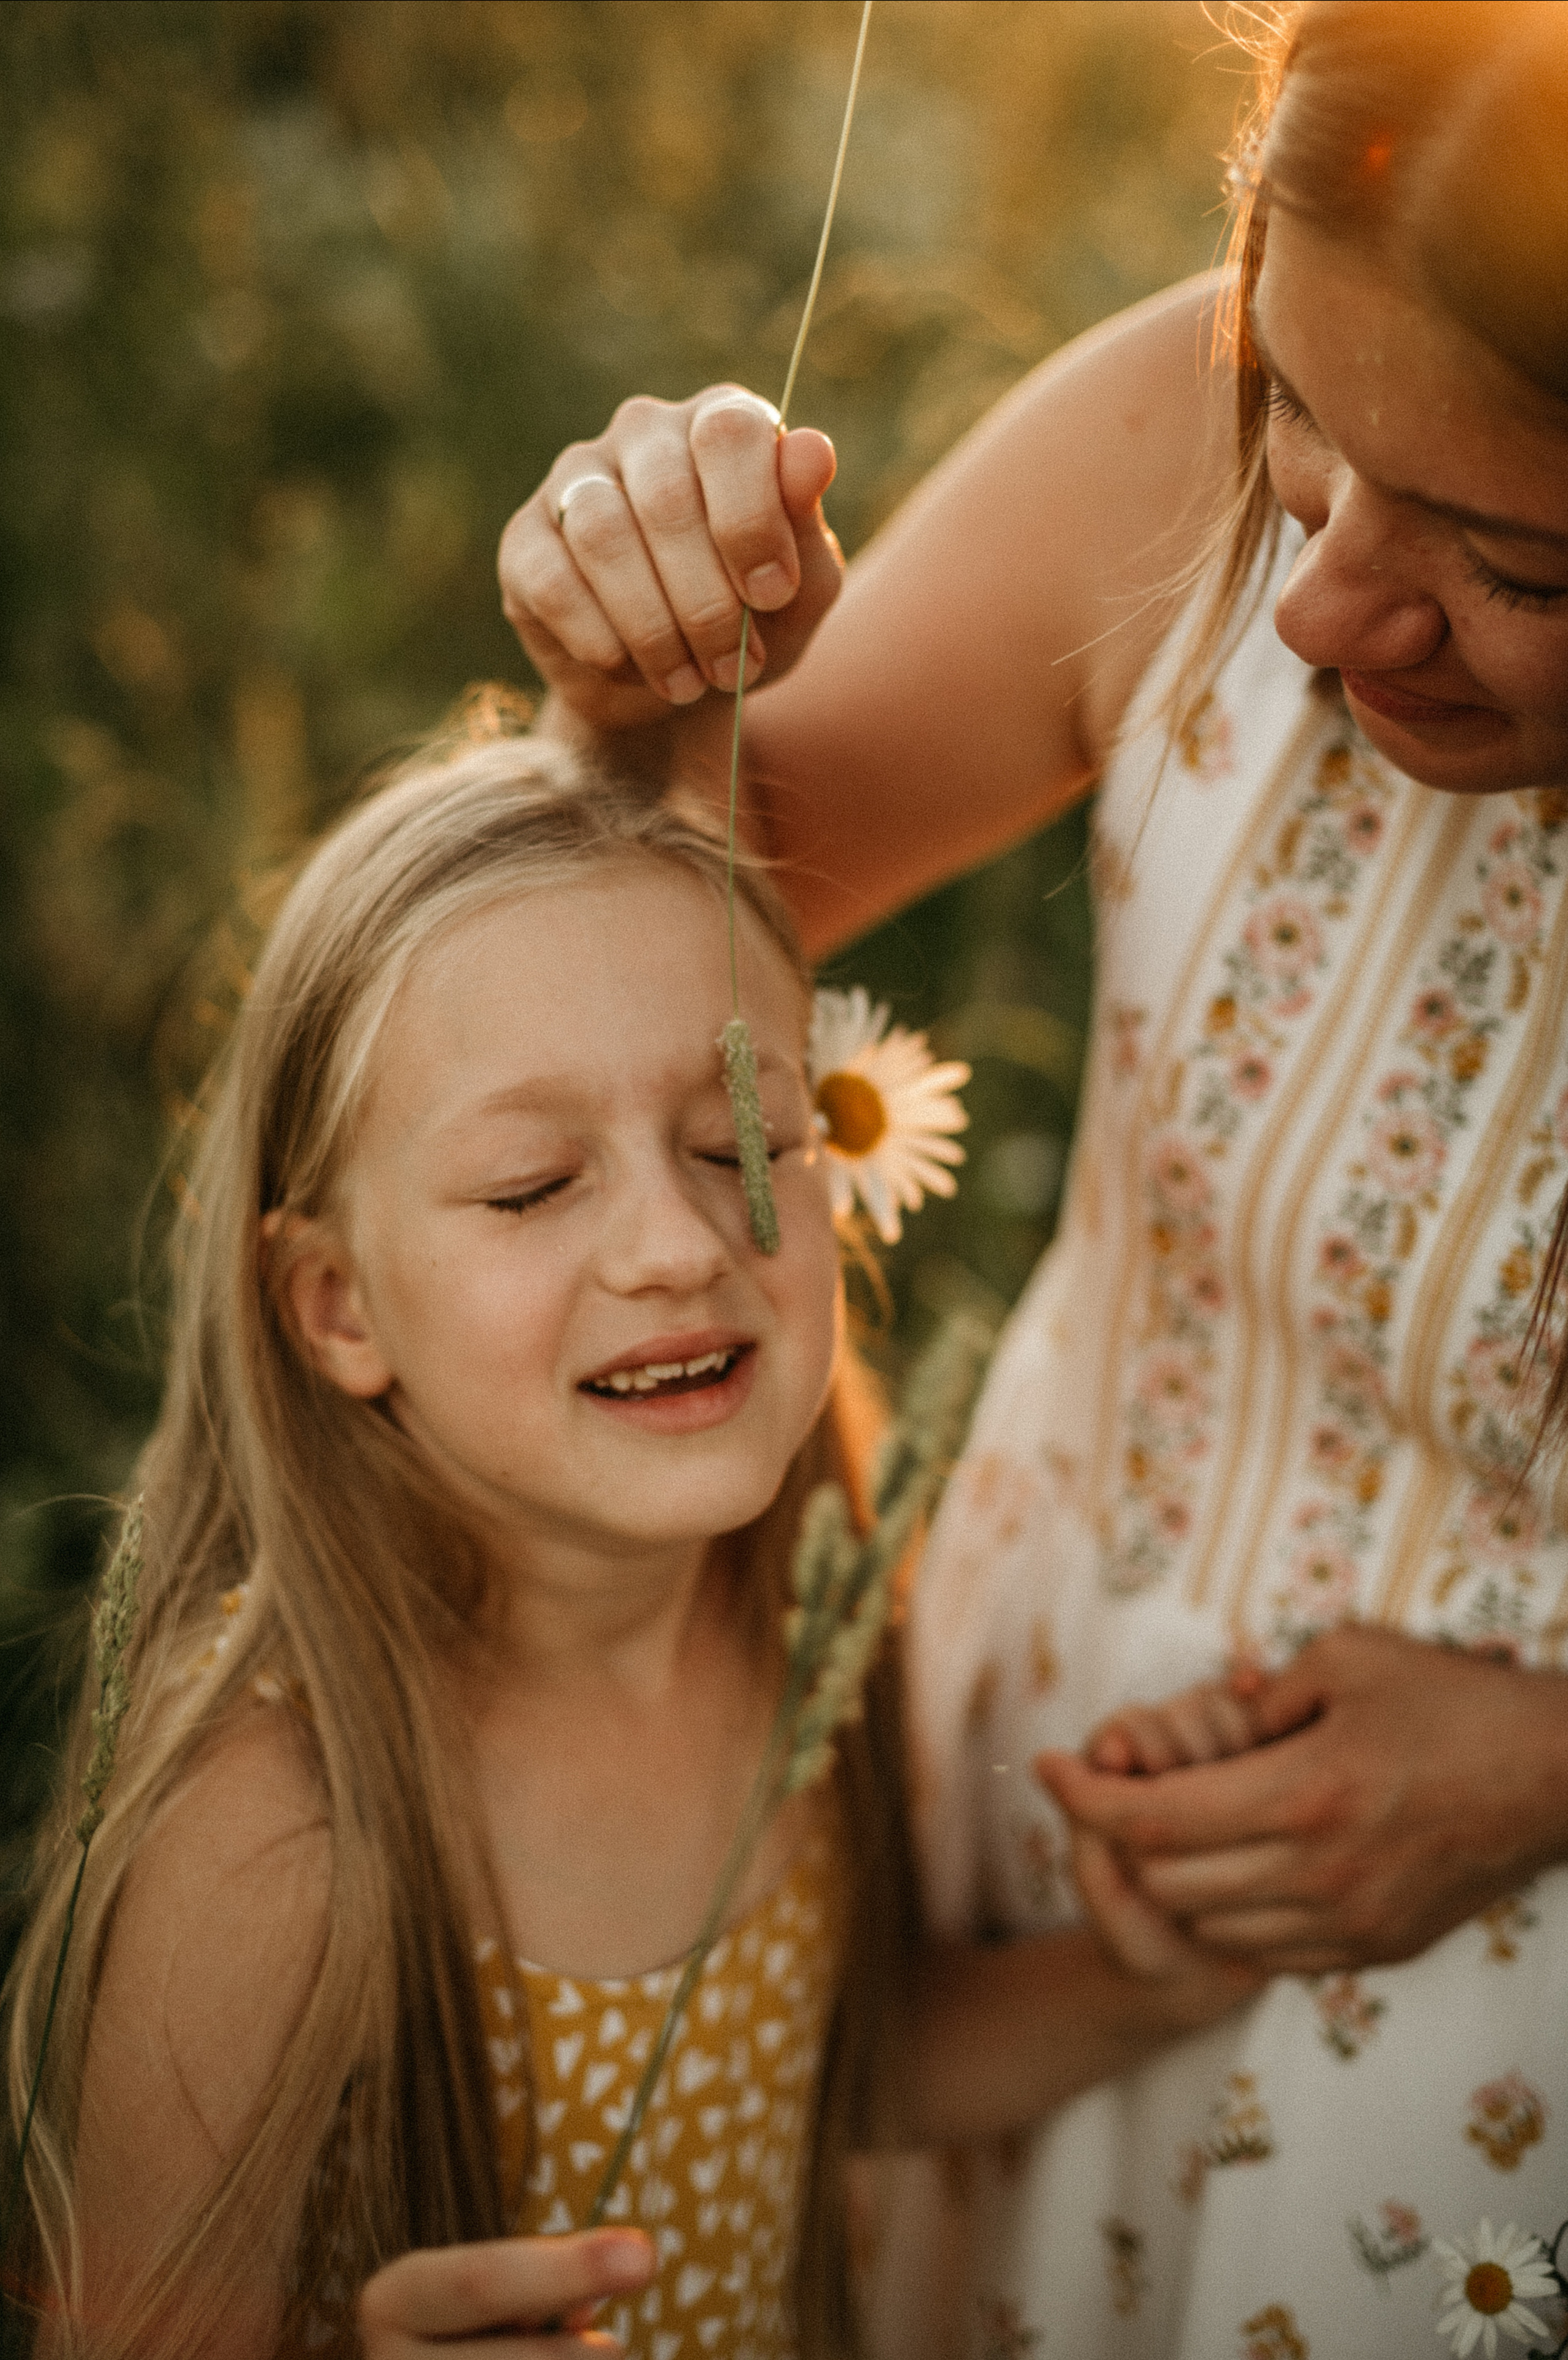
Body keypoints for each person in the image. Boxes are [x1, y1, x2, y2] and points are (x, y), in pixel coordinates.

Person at [496, 1, 1568, 2350]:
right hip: (1016, 1805)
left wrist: (1546, 1763)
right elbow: (684, 924)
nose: (1316, 610)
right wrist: (644, 682)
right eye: (1299, 424)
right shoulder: (1172, 430)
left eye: (1515, 566)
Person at [0, 714, 1254, 2360]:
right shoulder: (276, 1836)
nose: (677, 1244)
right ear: (336, 1304)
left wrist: (1145, 1976)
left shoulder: (798, 1619)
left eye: (747, 1143)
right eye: (532, 1187)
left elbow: (828, 2063)